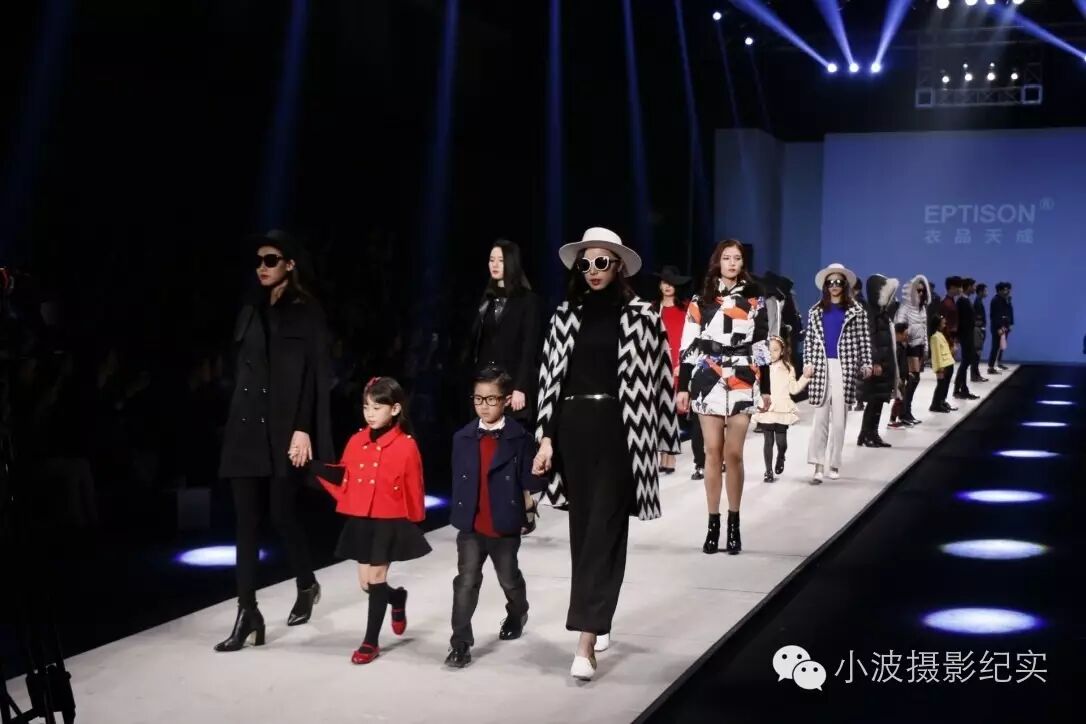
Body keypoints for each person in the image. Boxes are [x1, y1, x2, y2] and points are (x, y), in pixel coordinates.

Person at [532, 227, 679, 681]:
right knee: (584, 532)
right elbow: (549, 380)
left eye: (601, 262)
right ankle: (598, 617)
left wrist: (666, 440)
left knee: (605, 529)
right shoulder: (564, 315)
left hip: (621, 430)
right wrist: (545, 438)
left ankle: (585, 639)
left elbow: (661, 377)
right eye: (586, 264)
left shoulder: (642, 316)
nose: (592, 270)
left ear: (618, 266)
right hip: (574, 429)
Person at [215, 229, 333, 653]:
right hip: (246, 427)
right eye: (259, 261)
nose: (262, 267)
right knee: (245, 523)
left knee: (282, 513)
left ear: (290, 264)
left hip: (283, 428)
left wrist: (304, 428)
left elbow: (315, 376)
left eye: (271, 260)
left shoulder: (307, 311)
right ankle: (248, 611)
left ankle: (306, 582)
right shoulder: (250, 308)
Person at [314, 376, 430, 665]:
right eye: (366, 407)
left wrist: (415, 523)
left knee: (377, 579)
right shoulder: (357, 441)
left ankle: (370, 642)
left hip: (389, 520)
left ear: (395, 409)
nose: (370, 413)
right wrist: (312, 467)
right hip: (362, 519)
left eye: (377, 407)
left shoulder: (406, 445)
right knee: (367, 584)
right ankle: (397, 599)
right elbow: (344, 476)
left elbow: (414, 486)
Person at [445, 366, 546, 669]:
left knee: (508, 578)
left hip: (504, 524)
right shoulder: (462, 437)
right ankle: (460, 644)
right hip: (472, 525)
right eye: (478, 399)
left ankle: (518, 611)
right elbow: (459, 479)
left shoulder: (519, 438)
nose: (484, 406)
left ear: (505, 400)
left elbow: (531, 479)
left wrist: (538, 476)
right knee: (465, 582)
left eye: (491, 399)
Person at [677, 240, 771, 556]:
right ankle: (712, 523)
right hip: (708, 374)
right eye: (727, 257)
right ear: (718, 261)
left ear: (743, 263)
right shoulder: (701, 299)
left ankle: (734, 523)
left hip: (743, 374)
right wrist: (683, 386)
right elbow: (688, 345)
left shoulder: (754, 299)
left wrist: (767, 388)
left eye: (737, 258)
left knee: (734, 453)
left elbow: (761, 345)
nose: (732, 263)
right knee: (712, 452)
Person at [804, 263, 873, 484]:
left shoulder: (857, 311)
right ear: (825, 286)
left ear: (845, 285)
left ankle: (834, 463)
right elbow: (809, 340)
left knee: (840, 421)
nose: (834, 286)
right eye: (830, 282)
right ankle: (817, 465)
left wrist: (867, 363)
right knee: (820, 420)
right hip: (821, 366)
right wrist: (808, 362)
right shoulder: (815, 311)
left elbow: (864, 340)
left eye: (839, 282)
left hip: (845, 367)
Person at [465, 239, 543, 424]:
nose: (495, 264)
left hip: (511, 386)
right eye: (492, 260)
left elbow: (529, 347)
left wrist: (520, 387)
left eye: (500, 260)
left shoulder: (527, 300)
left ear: (511, 262)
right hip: (485, 386)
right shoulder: (487, 299)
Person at [651, 265, 695, 476]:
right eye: (664, 282)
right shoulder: (652, 308)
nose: (667, 286)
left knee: (673, 410)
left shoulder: (686, 308)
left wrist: (683, 363)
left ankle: (670, 457)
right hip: (657, 364)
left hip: (678, 364)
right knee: (660, 410)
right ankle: (663, 456)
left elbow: (692, 337)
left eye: (671, 283)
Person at [751, 336, 812, 482]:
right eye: (769, 350)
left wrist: (805, 377)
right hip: (767, 410)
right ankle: (768, 471)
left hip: (782, 409)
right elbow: (755, 386)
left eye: (775, 350)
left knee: (781, 443)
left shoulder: (788, 368)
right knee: (768, 441)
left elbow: (794, 389)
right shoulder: (760, 367)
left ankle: (781, 456)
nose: (772, 353)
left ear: (782, 351)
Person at [858, 274, 900, 448]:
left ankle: (869, 434)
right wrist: (875, 361)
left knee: (878, 401)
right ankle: (868, 434)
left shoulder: (881, 313)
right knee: (874, 401)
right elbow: (869, 338)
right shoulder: (871, 313)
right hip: (877, 365)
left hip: (884, 364)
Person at [893, 274, 930, 425]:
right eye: (918, 290)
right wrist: (906, 342)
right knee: (911, 380)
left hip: (919, 347)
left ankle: (906, 412)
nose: (920, 293)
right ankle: (903, 413)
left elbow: (924, 328)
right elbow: (899, 329)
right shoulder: (904, 308)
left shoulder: (922, 308)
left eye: (922, 291)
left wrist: (926, 347)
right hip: (908, 348)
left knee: (914, 380)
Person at [953, 278, 979, 401]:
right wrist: (958, 337)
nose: (975, 288)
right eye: (973, 286)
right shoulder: (962, 301)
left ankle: (961, 388)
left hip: (968, 335)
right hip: (965, 336)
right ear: (968, 287)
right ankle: (959, 389)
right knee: (966, 361)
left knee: (967, 361)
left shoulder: (966, 300)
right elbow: (960, 320)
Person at [929, 316, 956, 413]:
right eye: (943, 323)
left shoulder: (940, 334)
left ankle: (942, 401)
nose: (944, 325)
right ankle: (935, 404)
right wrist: (939, 368)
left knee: (945, 385)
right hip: (943, 365)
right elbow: (936, 354)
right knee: (941, 385)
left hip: (948, 363)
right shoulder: (935, 337)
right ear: (938, 324)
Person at [887, 323, 911, 429]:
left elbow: (903, 363)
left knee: (900, 399)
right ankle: (892, 421)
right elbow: (896, 364)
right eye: (904, 334)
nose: (906, 336)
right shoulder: (896, 348)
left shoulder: (901, 346)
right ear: (897, 334)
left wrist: (907, 373)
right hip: (899, 378)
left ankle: (896, 419)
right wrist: (898, 378)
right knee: (899, 399)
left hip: (902, 376)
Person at [988, 282, 1013, 374]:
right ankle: (991, 367)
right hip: (998, 327)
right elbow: (995, 316)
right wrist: (999, 327)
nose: (1007, 291)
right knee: (995, 347)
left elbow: (1008, 312)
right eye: (1005, 290)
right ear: (1000, 290)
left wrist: (1009, 324)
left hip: (1003, 326)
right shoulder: (995, 300)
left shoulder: (1004, 299)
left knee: (1001, 345)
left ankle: (998, 363)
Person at [971, 283, 989, 383]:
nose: (987, 293)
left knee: (977, 353)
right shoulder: (977, 302)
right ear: (981, 291)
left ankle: (976, 375)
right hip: (978, 330)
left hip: (980, 329)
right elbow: (977, 318)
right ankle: (975, 375)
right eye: (985, 291)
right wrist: (981, 327)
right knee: (976, 353)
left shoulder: (979, 301)